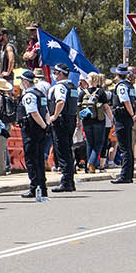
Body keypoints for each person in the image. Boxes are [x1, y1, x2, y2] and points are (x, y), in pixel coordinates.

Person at [46, 64, 80, 192]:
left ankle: (66, 182)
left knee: (62, 150)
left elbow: (60, 101)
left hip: (62, 121)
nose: (54, 74)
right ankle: (69, 181)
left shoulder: (60, 86)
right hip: (70, 119)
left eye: (55, 72)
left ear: (60, 73)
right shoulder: (72, 86)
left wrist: (54, 116)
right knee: (67, 150)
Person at [17, 70, 49, 199]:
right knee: (39, 159)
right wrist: (46, 126)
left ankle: (34, 187)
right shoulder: (40, 94)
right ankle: (42, 187)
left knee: (31, 159)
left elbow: (34, 113)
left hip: (32, 130)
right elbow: (46, 111)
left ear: (25, 82)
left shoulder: (29, 96)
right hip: (40, 130)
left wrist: (43, 125)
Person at [108, 65, 136, 184]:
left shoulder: (121, 87)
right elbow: (135, 101)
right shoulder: (130, 85)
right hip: (127, 117)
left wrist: (131, 114)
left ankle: (125, 175)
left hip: (122, 117)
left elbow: (126, 101)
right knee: (128, 147)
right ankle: (128, 174)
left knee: (124, 147)